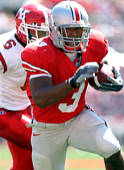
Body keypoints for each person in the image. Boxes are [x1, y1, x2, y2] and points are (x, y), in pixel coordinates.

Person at [21, 1, 124, 170]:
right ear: (54, 29)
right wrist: (73, 81)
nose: (76, 35)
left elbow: (96, 73)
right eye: (70, 30)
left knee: (111, 148)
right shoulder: (38, 52)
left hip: (78, 117)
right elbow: (40, 97)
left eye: (80, 30)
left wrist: (108, 78)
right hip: (47, 128)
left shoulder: (94, 44)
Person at [0, 3, 50, 170]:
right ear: (21, 28)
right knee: (44, 144)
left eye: (44, 32)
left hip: (23, 108)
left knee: (25, 166)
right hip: (4, 111)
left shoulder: (46, 47)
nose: (41, 37)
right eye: (36, 32)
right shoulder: (6, 49)